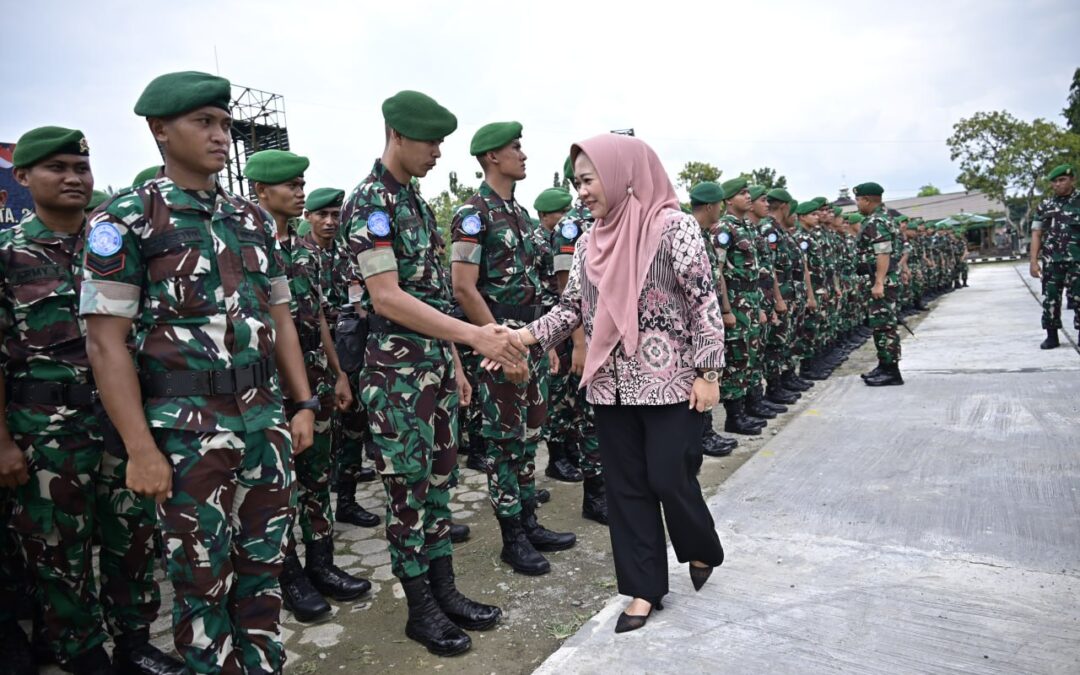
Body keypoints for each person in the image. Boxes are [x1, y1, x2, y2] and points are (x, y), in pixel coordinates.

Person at [80, 71, 316, 674]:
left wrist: (302, 404)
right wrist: (140, 449)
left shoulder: (251, 218)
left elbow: (281, 317)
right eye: (203, 122)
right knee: (201, 581)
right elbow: (105, 343)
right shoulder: (127, 218)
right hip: (186, 434)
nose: (220, 135)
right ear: (160, 130)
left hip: (263, 423)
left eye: (225, 123)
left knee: (262, 570)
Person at [505, 134, 726, 633]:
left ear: (622, 175)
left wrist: (709, 373)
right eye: (576, 183)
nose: (581, 192)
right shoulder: (589, 241)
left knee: (670, 477)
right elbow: (571, 309)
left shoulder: (673, 228)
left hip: (671, 382)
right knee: (626, 489)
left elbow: (703, 302)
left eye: (589, 180)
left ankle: (701, 545)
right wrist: (521, 338)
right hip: (609, 385)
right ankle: (644, 590)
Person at [341, 91, 518, 656]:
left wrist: (454, 364)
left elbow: (435, 292)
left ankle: (445, 592)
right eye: (430, 142)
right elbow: (387, 297)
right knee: (407, 494)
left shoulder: (413, 201)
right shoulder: (370, 202)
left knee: (440, 487)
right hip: (395, 379)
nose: (438, 153)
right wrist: (472, 336)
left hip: (434, 371)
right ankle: (420, 609)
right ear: (397, 135)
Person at [1, 126, 182, 675]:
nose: (73, 178)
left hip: (123, 423)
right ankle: (80, 651)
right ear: (23, 176)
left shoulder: (118, 242)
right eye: (57, 168)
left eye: (81, 167)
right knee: (59, 549)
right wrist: (3, 443)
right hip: (47, 430)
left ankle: (134, 642)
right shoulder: (8, 255)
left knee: (133, 537)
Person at [244, 151, 372, 623]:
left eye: (302, 185)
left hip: (312, 381)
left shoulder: (306, 254)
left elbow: (317, 317)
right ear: (261, 191)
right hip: (267, 387)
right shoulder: (246, 249)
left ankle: (323, 564)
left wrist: (338, 373)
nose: (300, 193)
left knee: (317, 477)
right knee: (278, 487)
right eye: (291, 186)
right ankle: (290, 575)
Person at [450, 122, 577, 573]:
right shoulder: (472, 214)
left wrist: (548, 341)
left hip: (531, 341)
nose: (523, 155)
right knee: (503, 442)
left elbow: (541, 287)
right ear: (492, 157)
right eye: (515, 148)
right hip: (498, 344)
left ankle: (529, 521)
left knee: (528, 439)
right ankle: (512, 538)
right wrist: (500, 345)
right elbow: (463, 288)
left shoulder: (522, 216)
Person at [301, 188, 382, 526]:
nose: (330, 221)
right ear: (308, 217)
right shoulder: (298, 256)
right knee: (318, 435)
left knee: (352, 426)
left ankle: (346, 501)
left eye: (335, 215)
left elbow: (361, 299)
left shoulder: (348, 254)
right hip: (313, 358)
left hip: (350, 351)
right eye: (322, 215)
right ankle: (311, 513)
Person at [688, 181, 739, 456]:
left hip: (710, 317)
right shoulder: (689, 235)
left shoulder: (705, 235)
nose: (721, 209)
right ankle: (700, 436)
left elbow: (716, 278)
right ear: (709, 206)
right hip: (694, 323)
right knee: (700, 377)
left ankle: (706, 432)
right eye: (719, 205)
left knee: (710, 374)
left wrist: (724, 309)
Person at [853, 182, 903, 386]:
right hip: (882, 278)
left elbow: (883, 253)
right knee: (881, 325)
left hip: (881, 280)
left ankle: (891, 371)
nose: (857, 204)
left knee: (884, 326)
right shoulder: (884, 217)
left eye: (858, 200)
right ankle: (884, 365)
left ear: (866, 200)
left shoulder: (877, 221)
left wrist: (879, 282)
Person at [1030, 163, 1078, 349]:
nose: (1058, 184)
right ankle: (1052, 336)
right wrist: (1033, 261)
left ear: (1072, 180)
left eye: (1062, 180)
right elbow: (1037, 233)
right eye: (1054, 181)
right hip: (1052, 261)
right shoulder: (1045, 206)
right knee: (1051, 298)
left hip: (1077, 261)